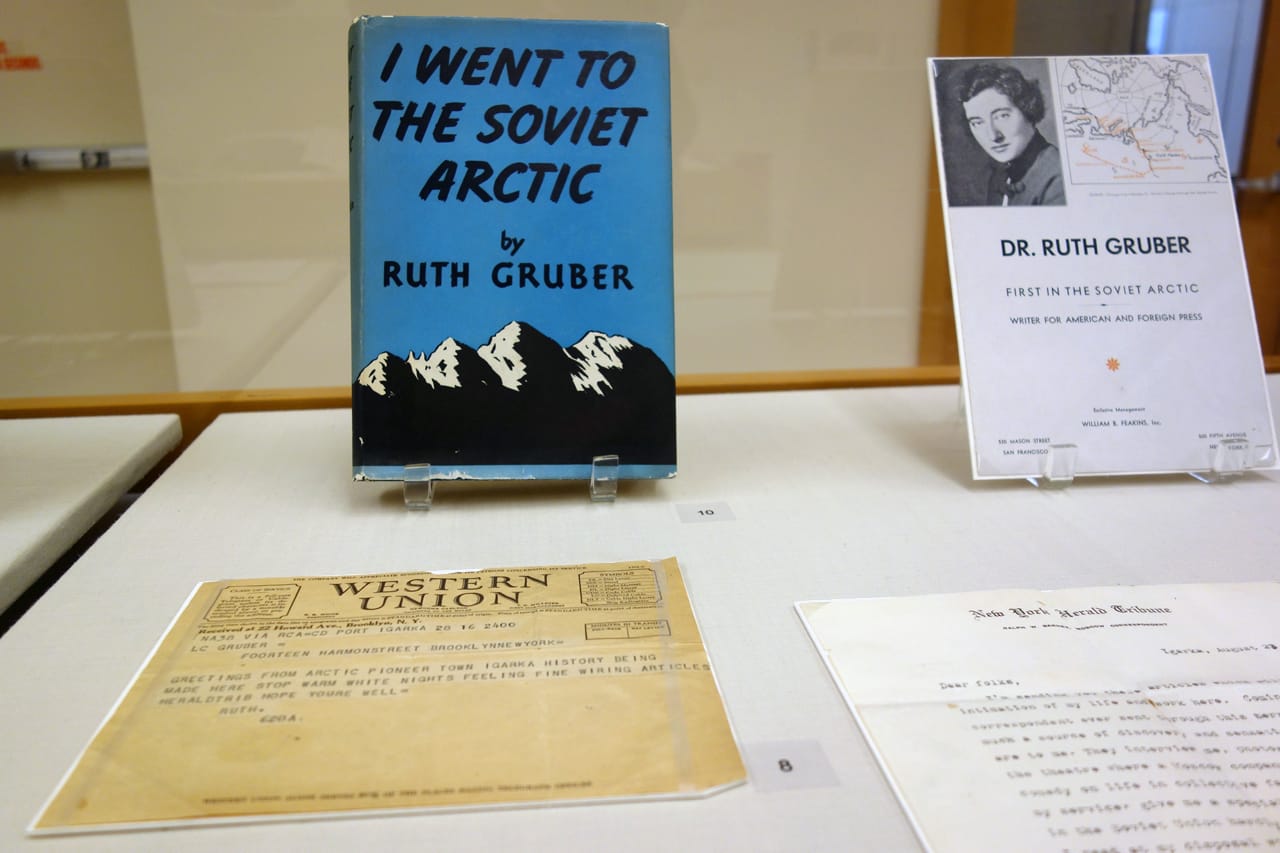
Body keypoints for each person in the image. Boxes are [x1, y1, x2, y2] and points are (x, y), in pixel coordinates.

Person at [959, 63, 1064, 206]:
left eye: (1002, 116)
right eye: (977, 123)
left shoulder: (1058, 179)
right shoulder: (1000, 176)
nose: (993, 136)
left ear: (1028, 109)